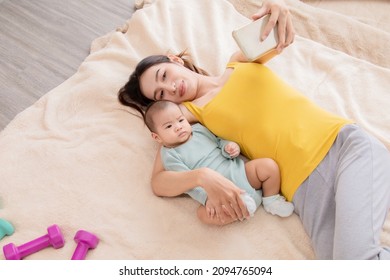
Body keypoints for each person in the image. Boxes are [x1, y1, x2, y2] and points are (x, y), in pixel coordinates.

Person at [118, 0, 390, 260]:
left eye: (164, 76)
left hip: (342, 149)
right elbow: (159, 182)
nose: (171, 88)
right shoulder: (186, 118)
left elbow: (280, 32)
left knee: (356, 260)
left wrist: (278, 7)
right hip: (307, 194)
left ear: (174, 60)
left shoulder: (239, 62)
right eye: (161, 94)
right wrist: (202, 177)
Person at [143, 100, 294, 225]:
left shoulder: (199, 130)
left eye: (181, 120)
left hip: (238, 171)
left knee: (268, 166)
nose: (178, 127)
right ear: (157, 137)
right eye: (169, 126)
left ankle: (271, 199)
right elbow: (189, 185)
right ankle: (240, 209)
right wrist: (207, 199)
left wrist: (229, 147)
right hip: (217, 195)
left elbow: (219, 141)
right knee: (203, 215)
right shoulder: (169, 155)